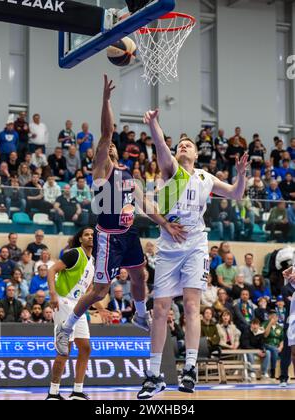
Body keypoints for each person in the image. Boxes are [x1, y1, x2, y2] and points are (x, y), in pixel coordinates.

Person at [55, 76, 184, 362]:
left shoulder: (128, 175)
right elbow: (106, 131)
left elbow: (146, 203)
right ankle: (66, 327)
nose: (110, 146)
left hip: (129, 235)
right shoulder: (102, 168)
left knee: (140, 275)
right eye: (107, 145)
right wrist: (106, 100)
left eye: (113, 146)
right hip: (109, 236)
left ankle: (139, 316)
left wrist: (164, 223)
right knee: (100, 290)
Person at [137, 107, 248, 399]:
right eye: (180, 145)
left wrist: (242, 175)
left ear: (197, 155)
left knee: (190, 304)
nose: (182, 146)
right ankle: (153, 375)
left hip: (196, 243)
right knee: (160, 309)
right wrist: (154, 124)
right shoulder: (171, 170)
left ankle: (189, 369)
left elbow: (236, 194)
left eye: (189, 145)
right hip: (169, 245)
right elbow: (161, 145)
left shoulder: (206, 178)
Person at [46, 227, 108, 400]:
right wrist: (52, 294)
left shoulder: (95, 262)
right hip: (63, 301)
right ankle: (53, 392)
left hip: (78, 305)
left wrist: (101, 308)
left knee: (86, 347)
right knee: (65, 349)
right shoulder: (74, 254)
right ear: (81, 239)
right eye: (87, 235)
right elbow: (52, 270)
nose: (90, 237)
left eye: (92, 235)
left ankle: (77, 391)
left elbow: (89, 291)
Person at [263, 311, 284, 378]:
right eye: (271, 316)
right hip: (267, 344)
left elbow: (282, 339)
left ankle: (283, 373)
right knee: (274, 349)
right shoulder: (264, 324)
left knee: (282, 351)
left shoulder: (279, 327)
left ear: (277, 318)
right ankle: (273, 370)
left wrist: (280, 347)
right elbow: (265, 335)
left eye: (275, 316)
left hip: (277, 346)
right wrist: (270, 324)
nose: (273, 318)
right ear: (269, 317)